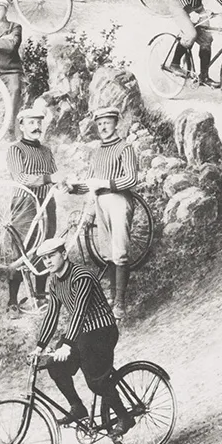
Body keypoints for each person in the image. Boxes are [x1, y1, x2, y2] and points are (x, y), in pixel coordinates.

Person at [31, 234, 132, 434]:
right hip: (81, 334)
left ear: (64, 254)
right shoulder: (54, 282)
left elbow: (80, 311)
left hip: (102, 331)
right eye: (44, 258)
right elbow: (52, 313)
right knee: (54, 364)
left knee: (96, 382)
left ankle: (124, 416)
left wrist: (67, 345)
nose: (48, 261)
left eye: (52, 256)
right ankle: (78, 407)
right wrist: (39, 347)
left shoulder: (82, 276)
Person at [84, 106, 139, 314]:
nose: (103, 127)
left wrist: (104, 182)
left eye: (107, 122)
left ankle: (120, 302)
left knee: (120, 251)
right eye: (99, 124)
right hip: (100, 202)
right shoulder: (97, 152)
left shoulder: (125, 148)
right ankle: (112, 296)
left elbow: (131, 179)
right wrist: (72, 187)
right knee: (107, 253)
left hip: (118, 200)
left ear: (116, 123)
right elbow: (89, 183)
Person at [6, 107, 60, 312]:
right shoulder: (15, 149)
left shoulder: (46, 150)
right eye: (31, 122)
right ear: (21, 126)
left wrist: (68, 184)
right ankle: (12, 302)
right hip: (25, 205)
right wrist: (48, 178)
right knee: (21, 250)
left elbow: (56, 176)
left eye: (38, 122)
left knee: (44, 248)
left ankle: (39, 295)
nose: (36, 126)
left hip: (47, 202)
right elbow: (20, 178)